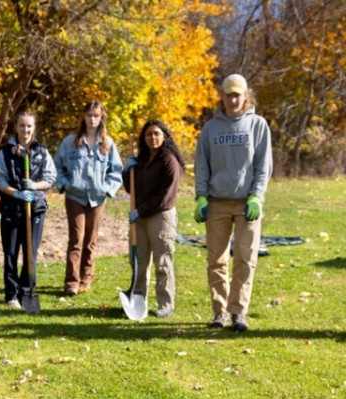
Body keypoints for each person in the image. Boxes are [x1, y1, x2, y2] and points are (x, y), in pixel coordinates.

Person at [194, 73, 272, 332]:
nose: (233, 99)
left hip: (246, 204)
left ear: (246, 96)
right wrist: (201, 196)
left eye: (237, 94)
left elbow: (263, 166)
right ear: (223, 96)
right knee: (216, 260)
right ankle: (220, 312)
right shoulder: (210, 129)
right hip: (216, 203)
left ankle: (238, 312)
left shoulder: (257, 126)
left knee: (245, 258)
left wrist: (256, 197)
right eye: (228, 94)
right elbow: (202, 165)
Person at [54, 100, 123, 296]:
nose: (92, 119)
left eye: (96, 115)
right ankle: (71, 282)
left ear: (101, 118)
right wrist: (64, 184)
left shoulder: (108, 144)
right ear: (83, 117)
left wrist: (107, 189)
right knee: (76, 238)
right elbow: (57, 167)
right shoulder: (70, 142)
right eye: (89, 115)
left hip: (97, 199)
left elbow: (116, 171)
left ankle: (86, 278)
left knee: (91, 241)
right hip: (75, 197)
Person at [0, 111, 56, 308]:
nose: (25, 130)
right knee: (10, 253)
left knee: (30, 253)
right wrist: (15, 193)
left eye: (29, 126)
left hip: (35, 209)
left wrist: (34, 187)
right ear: (16, 127)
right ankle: (11, 295)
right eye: (21, 125)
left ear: (34, 128)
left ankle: (26, 291)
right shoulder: (5, 152)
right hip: (11, 209)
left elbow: (51, 178)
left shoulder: (42, 152)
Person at [122, 119, 185, 318]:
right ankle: (138, 300)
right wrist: (127, 171)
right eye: (148, 134)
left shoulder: (169, 160)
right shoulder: (142, 160)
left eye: (157, 133)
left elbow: (166, 196)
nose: (152, 138)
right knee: (139, 262)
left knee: (162, 261)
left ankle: (166, 304)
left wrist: (141, 210)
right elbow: (131, 188)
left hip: (160, 216)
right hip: (140, 217)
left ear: (164, 136)